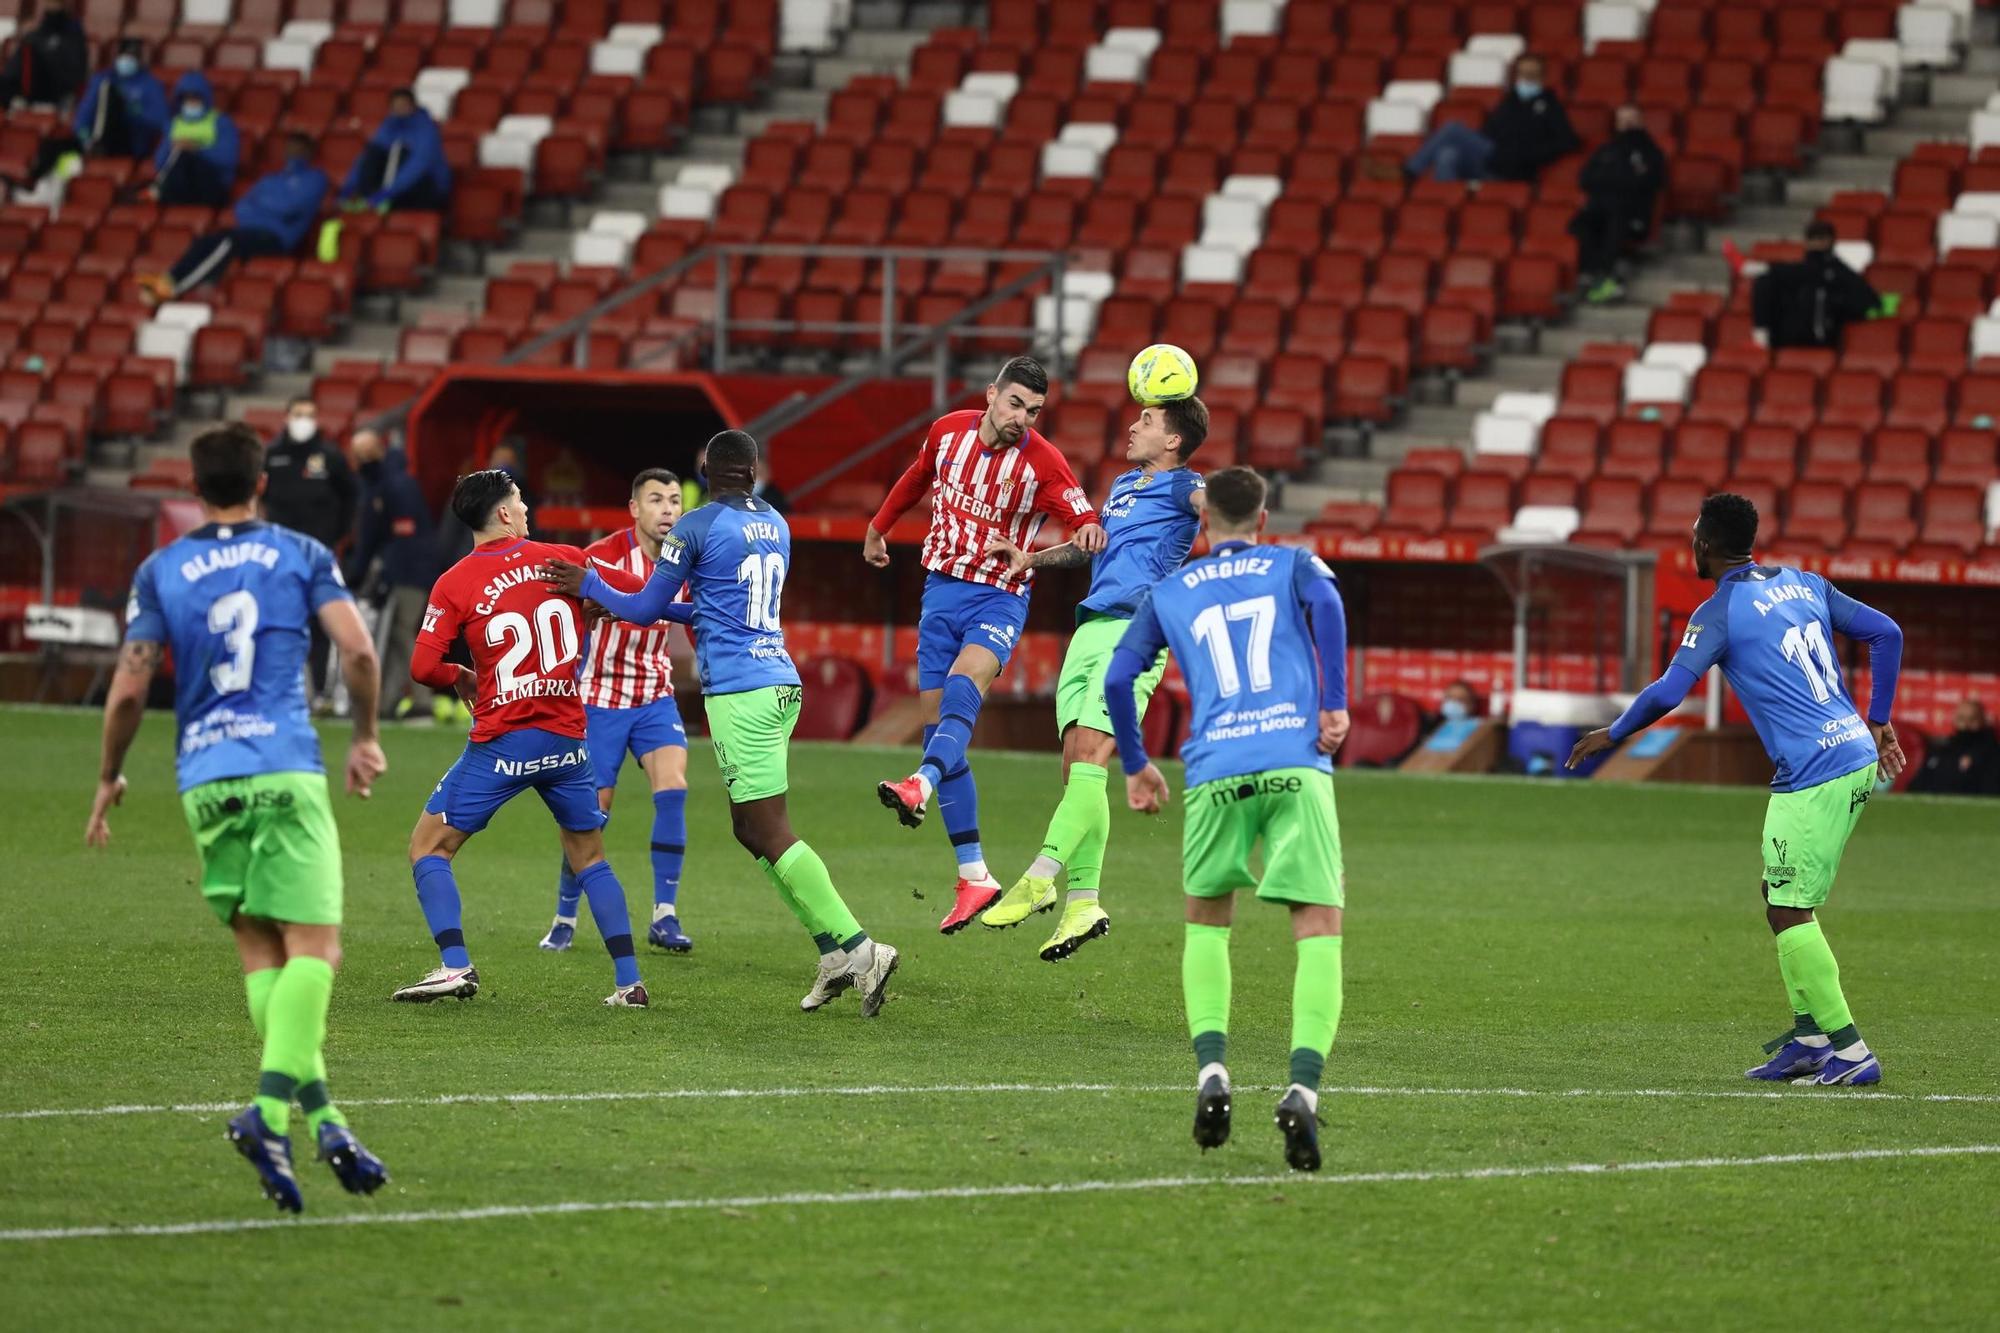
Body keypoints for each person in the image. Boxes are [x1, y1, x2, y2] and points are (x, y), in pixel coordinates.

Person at [84, 423, 390, 1214]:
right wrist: (363, 736)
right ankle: (265, 1111)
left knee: (262, 948)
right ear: (262, 483)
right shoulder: (299, 551)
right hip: (282, 764)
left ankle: (323, 1119)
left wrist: (110, 776)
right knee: (316, 947)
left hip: (203, 778)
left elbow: (127, 690)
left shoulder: (161, 568)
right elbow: (357, 653)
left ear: (194, 486)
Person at [543, 431, 901, 1015]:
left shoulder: (695, 526)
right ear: (754, 471)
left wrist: (589, 584)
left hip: (741, 693)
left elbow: (646, 609)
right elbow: (713, 605)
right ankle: (832, 955)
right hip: (780, 681)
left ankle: (861, 950)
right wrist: (618, 597)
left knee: (770, 829)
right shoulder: (778, 524)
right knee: (750, 828)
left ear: (706, 471)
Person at [1568, 493, 1907, 1087]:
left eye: (1694, 533)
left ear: (1705, 545)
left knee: (1789, 907)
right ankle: (1808, 1040)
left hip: (1813, 771)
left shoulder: (1719, 611)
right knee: (1778, 895)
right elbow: (1887, 633)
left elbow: (1671, 691)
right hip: (1849, 752)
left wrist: (1613, 732)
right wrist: (1877, 721)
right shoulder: (1806, 583)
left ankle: (1851, 1051)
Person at [1103, 465, 1352, 1173]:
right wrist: (1333, 702)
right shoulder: (1294, 563)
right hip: (1295, 759)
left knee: (1207, 922)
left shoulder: (1170, 589)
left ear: (1203, 519)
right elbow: (1328, 605)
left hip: (1214, 768)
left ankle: (1213, 1072)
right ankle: (1302, 1086)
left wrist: (1134, 763)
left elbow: (1119, 678)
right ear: (1264, 517)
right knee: (1317, 927)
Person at [865, 357, 1106, 931]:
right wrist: (879, 527)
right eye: (1016, 404)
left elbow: (1085, 527)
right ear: (992, 394)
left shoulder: (1044, 463)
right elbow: (917, 476)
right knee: (939, 736)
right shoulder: (948, 431)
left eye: (1034, 411)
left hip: (999, 598)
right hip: (939, 593)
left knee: (961, 687)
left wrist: (1075, 538)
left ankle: (918, 784)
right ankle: (975, 876)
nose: (1023, 418)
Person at [394, 470, 650, 1007]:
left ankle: (454, 966)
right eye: (520, 500)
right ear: (505, 514)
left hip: (504, 741)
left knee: (427, 847)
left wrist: (458, 675)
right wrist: (596, 602)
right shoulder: (562, 558)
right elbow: (636, 597)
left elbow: (421, 666)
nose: (526, 506)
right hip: (568, 740)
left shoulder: (455, 581)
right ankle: (629, 983)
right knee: (591, 858)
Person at [980, 398, 1209, 961]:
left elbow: (1215, 504)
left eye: (1148, 422)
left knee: (1088, 761)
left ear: (1174, 441)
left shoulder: (1185, 486)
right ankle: (1083, 905)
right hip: (1091, 628)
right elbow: (1092, 546)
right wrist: (1030, 559)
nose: (1132, 425)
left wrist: (1234, 510)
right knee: (1077, 771)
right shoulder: (1125, 486)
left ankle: (1039, 877)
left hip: (1135, 632)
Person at [538, 468, 695, 956]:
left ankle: (664, 916)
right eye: (656, 500)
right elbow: (564, 610)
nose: (668, 509)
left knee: (673, 788)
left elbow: (691, 619)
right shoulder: (600, 557)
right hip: (599, 700)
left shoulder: (688, 558)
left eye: (674, 500)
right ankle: (565, 916)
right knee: (591, 816)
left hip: (653, 696)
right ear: (634, 509)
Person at [136, 132, 328, 304]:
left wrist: (262, 205)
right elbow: (241, 207)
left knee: (227, 243)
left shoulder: (316, 179)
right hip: (248, 231)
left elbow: (290, 208)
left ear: (308, 152)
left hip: (276, 239)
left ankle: (174, 288)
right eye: (290, 147)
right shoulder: (270, 179)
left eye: (298, 148)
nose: (292, 152)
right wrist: (269, 208)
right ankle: (168, 278)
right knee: (206, 240)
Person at [256, 396, 358, 706]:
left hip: (319, 555)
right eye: (299, 414)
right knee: (280, 618)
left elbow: (351, 497)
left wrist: (337, 536)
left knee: (322, 621)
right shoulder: (272, 456)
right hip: (280, 555)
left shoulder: (329, 457)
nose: (304, 420)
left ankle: (323, 693)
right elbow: (259, 498)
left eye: (309, 415)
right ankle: (281, 688)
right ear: (286, 417)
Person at [348, 428, 441, 721]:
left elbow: (403, 536)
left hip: (409, 573)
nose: (360, 460)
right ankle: (389, 702)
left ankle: (418, 699)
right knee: (397, 635)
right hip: (407, 570)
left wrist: (373, 573)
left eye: (362, 454)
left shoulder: (394, 486)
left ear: (375, 450)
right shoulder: (384, 483)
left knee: (402, 633)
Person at [1403, 53, 1578, 184]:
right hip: (1490, 160)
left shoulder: (1551, 106)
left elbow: (1567, 140)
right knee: (1447, 154)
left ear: (1543, 76)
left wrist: (1528, 154)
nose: (1527, 78)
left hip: (1515, 168)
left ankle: (1409, 171)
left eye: (1532, 74)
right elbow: (1489, 130)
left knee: (1452, 129)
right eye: (1523, 74)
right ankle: (1443, 205)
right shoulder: (1510, 101)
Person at [1570, 104, 1668, 305]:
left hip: (1633, 213)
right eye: (1622, 120)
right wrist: (1617, 180)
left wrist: (1610, 181)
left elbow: (1647, 182)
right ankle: (1591, 274)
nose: (1627, 124)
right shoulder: (1606, 149)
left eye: (1631, 119)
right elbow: (1585, 179)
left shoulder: (1650, 152)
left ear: (1641, 121)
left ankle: (1607, 278)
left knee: (1615, 221)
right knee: (1580, 223)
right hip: (1601, 208)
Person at [1751, 221, 1881, 350]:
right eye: (1813, 239)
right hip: (1786, 342)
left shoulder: (1840, 273)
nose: (1816, 243)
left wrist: (1836, 305)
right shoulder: (1785, 273)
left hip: (1821, 343)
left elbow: (1871, 302)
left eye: (1819, 239)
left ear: (1829, 241)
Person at [338, 86, 450, 213]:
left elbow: (417, 166)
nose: (400, 109)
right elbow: (368, 157)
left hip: (427, 187)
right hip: (395, 187)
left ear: (413, 106)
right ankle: (366, 200)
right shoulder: (389, 125)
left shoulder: (426, 129)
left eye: (404, 105)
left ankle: (379, 203)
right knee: (375, 152)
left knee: (401, 153)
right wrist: (349, 187)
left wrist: (389, 192)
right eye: (396, 106)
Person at [148, 72, 239, 209]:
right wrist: (171, 147)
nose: (191, 103)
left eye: (195, 98)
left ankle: (157, 191)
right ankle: (160, 190)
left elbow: (228, 158)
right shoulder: (174, 124)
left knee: (186, 155)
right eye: (187, 99)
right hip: (180, 184)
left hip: (211, 183)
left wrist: (196, 148)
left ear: (204, 99)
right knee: (181, 155)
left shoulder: (220, 122)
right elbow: (160, 162)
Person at [73, 37, 167, 160]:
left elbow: (161, 119)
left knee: (112, 96)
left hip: (132, 138)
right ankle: (95, 143)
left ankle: (98, 143)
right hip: (97, 137)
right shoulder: (103, 79)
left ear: (139, 60)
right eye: (123, 56)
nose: (126, 61)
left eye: (131, 57)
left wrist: (134, 112)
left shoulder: (150, 83)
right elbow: (86, 110)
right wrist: (83, 133)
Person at [0, 1, 88, 110]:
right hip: (25, 97)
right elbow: (12, 72)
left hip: (58, 98)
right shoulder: (33, 37)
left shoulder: (74, 36)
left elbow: (76, 75)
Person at [1909, 698, 2000, 796]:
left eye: (1972, 719)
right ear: (1955, 719)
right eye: (1961, 719)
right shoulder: (1942, 749)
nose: (1966, 724)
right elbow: (1917, 785)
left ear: (1982, 721)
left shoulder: (1991, 753)